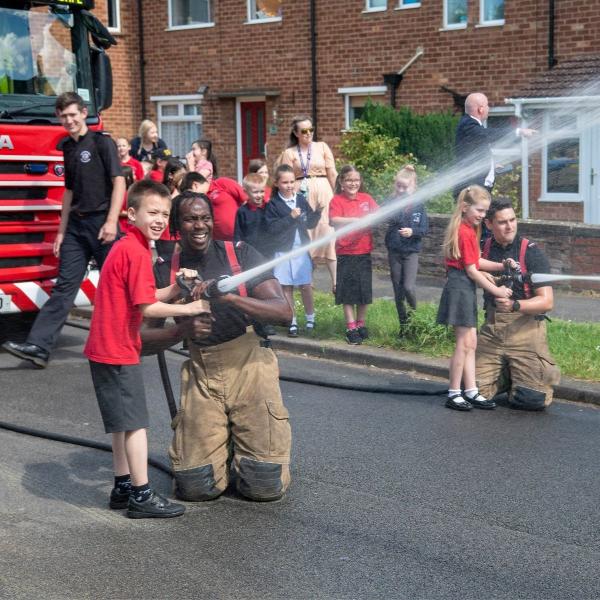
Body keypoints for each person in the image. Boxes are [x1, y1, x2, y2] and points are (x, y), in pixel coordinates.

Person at [140, 192, 293, 502]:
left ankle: (242, 446)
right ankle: (220, 446)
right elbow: (139, 340)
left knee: (263, 485)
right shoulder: (166, 270)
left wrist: (230, 296)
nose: (199, 225)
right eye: (190, 219)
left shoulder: (239, 256)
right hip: (202, 370)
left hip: (250, 364)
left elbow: (283, 311)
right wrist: (181, 330)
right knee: (196, 486)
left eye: (205, 218)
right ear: (176, 227)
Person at [84, 180, 209, 518]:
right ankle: (141, 496)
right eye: (152, 212)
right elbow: (147, 309)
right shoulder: (137, 252)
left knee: (122, 424)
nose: (159, 219)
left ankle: (122, 485)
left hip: (106, 348)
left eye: (164, 214)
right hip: (117, 349)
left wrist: (175, 288)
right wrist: (190, 309)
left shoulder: (129, 246)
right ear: (131, 213)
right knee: (136, 423)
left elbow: (148, 294)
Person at [2, 92, 125, 368]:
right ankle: (39, 347)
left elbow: (118, 182)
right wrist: (60, 231)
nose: (69, 120)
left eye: (73, 114)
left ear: (83, 113)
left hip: (101, 223)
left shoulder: (102, 142)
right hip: (76, 227)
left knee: (116, 284)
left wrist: (111, 221)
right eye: (64, 116)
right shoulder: (67, 148)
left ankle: (127, 340)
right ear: (58, 117)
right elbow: (68, 191)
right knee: (64, 286)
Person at [476, 199, 561, 410]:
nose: (510, 226)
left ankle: (519, 377)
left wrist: (516, 305)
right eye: (502, 222)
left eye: (513, 220)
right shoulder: (482, 249)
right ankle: (507, 372)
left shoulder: (531, 252)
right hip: (492, 329)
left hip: (526, 329)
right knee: (471, 391)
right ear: (489, 224)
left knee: (530, 400)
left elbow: (547, 301)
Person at [436, 185, 513, 411]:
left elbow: (476, 262)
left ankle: (470, 391)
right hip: (460, 288)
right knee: (463, 344)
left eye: (485, 211)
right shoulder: (464, 231)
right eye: (479, 210)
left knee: (472, 342)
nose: (482, 215)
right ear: (465, 207)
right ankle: (454, 392)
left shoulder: (469, 229)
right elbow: (471, 270)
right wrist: (497, 290)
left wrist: (501, 265)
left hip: (464, 286)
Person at [276, 115, 338, 291]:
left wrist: (338, 196)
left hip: (324, 193)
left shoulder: (322, 147)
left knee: (328, 233)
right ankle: (307, 282)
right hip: (301, 195)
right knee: (306, 235)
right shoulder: (289, 153)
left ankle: (335, 282)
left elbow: (332, 172)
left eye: (311, 129)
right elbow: (285, 176)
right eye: (304, 130)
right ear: (296, 133)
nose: (309, 133)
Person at [264, 164, 321, 337]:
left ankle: (310, 318)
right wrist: (290, 217)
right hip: (283, 252)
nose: (289, 186)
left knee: (305, 285)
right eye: (285, 182)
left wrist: (317, 212)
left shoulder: (301, 199)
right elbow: (272, 229)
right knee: (286, 287)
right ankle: (292, 321)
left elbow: (309, 222)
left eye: (292, 182)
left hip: (301, 250)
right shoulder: (273, 204)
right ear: (277, 184)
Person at [329, 166, 378, 345]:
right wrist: (356, 221)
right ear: (341, 182)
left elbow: (377, 214)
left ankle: (360, 324)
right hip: (346, 253)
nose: (353, 183)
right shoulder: (336, 201)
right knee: (348, 292)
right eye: (349, 180)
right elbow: (334, 220)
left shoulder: (367, 199)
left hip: (364, 252)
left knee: (363, 292)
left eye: (356, 180)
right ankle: (350, 326)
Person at [454, 92, 535, 198]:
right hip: (473, 189)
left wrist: (491, 165)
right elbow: (488, 134)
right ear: (481, 109)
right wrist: (519, 131)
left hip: (477, 188)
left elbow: (473, 149)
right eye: (487, 106)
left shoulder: (470, 124)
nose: (489, 109)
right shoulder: (469, 124)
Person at [384, 165, 428, 336]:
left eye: (405, 187)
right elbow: (391, 217)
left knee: (408, 287)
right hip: (394, 250)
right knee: (398, 290)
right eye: (398, 186)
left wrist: (413, 232)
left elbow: (424, 229)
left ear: (413, 186)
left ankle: (414, 319)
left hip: (411, 252)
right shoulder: (391, 202)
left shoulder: (419, 205)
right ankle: (404, 326)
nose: (401, 190)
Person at [234, 173, 270, 257]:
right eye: (255, 192)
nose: (259, 195)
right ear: (245, 192)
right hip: (250, 253)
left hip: (268, 252)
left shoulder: (269, 208)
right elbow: (237, 235)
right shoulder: (242, 211)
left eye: (262, 191)